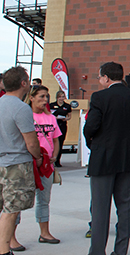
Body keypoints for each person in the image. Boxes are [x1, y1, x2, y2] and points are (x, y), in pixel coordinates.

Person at [85, 61, 130, 255]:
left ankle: (97, 251)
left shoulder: (99, 97)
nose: (99, 81)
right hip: (128, 158)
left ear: (106, 77)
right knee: (125, 207)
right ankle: (120, 250)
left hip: (103, 158)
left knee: (100, 209)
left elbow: (91, 126)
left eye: (99, 77)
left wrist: (93, 145)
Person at [0, 67, 42, 255]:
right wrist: (39, 157)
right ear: (24, 83)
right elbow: (31, 143)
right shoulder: (21, 107)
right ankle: (3, 250)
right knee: (11, 210)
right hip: (15, 164)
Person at [17, 85, 61, 245]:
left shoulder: (51, 117)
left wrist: (54, 155)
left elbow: (55, 139)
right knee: (19, 200)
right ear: (32, 97)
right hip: (28, 164)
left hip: (46, 166)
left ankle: (45, 232)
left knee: (44, 200)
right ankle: (12, 237)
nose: (45, 100)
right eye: (41, 96)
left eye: (47, 97)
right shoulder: (25, 116)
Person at [50, 89, 72, 167]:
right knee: (52, 142)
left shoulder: (67, 106)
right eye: (60, 97)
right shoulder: (52, 105)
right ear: (57, 97)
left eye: (63, 97)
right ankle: (51, 158)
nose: (61, 98)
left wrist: (65, 118)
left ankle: (58, 160)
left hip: (62, 124)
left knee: (60, 142)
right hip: (54, 125)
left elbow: (69, 116)